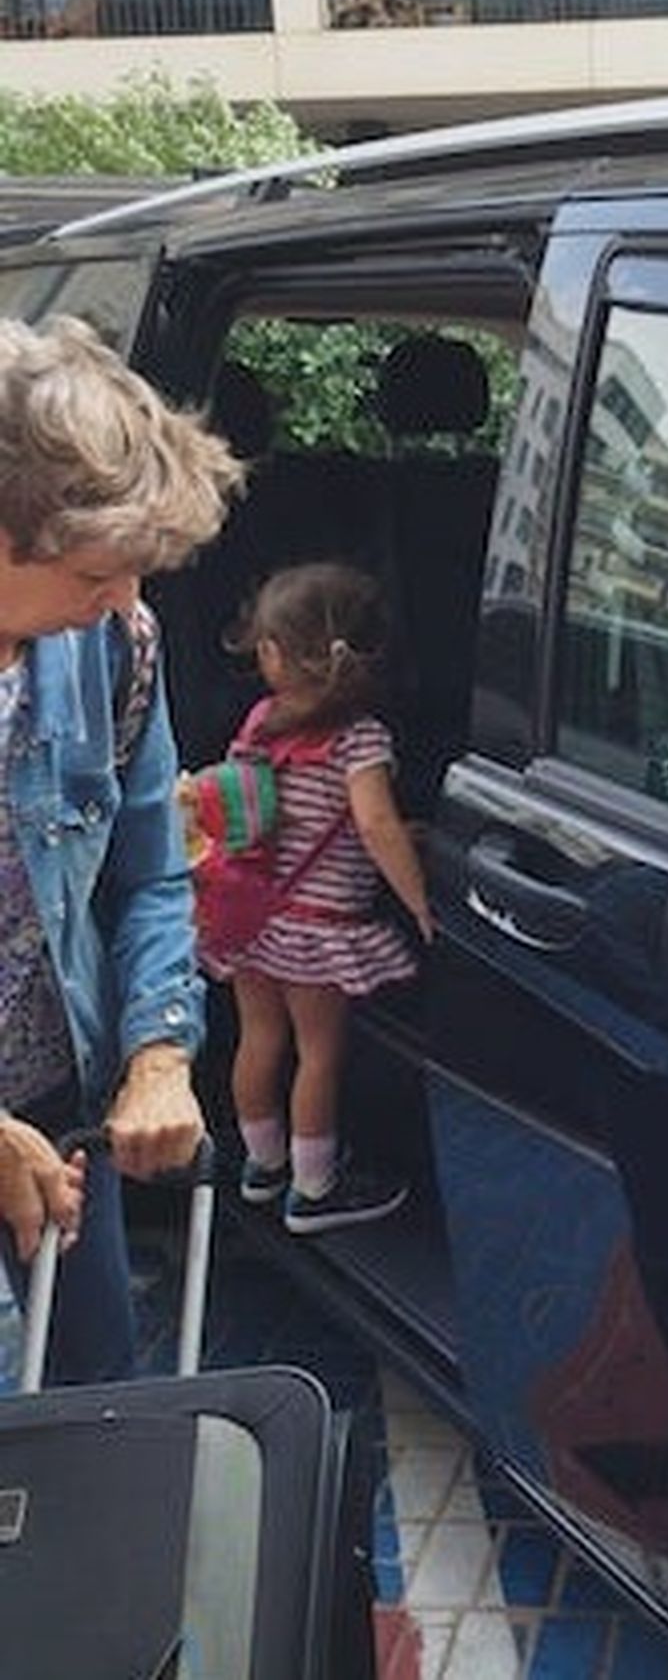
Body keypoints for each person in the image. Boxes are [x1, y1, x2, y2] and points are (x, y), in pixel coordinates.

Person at [0, 314, 243, 1384]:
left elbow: (150, 869)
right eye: (99, 572)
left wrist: (157, 1052)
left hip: (59, 1112)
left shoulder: (115, 649)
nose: (127, 603)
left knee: (102, 1403)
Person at [197, 561, 431, 1233]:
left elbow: (272, 812)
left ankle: (263, 1165)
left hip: (253, 913)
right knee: (320, 1053)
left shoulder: (262, 720)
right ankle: (316, 1186)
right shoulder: (361, 738)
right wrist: (417, 900)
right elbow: (375, 825)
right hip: (319, 925)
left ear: (275, 653)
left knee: (259, 1037)